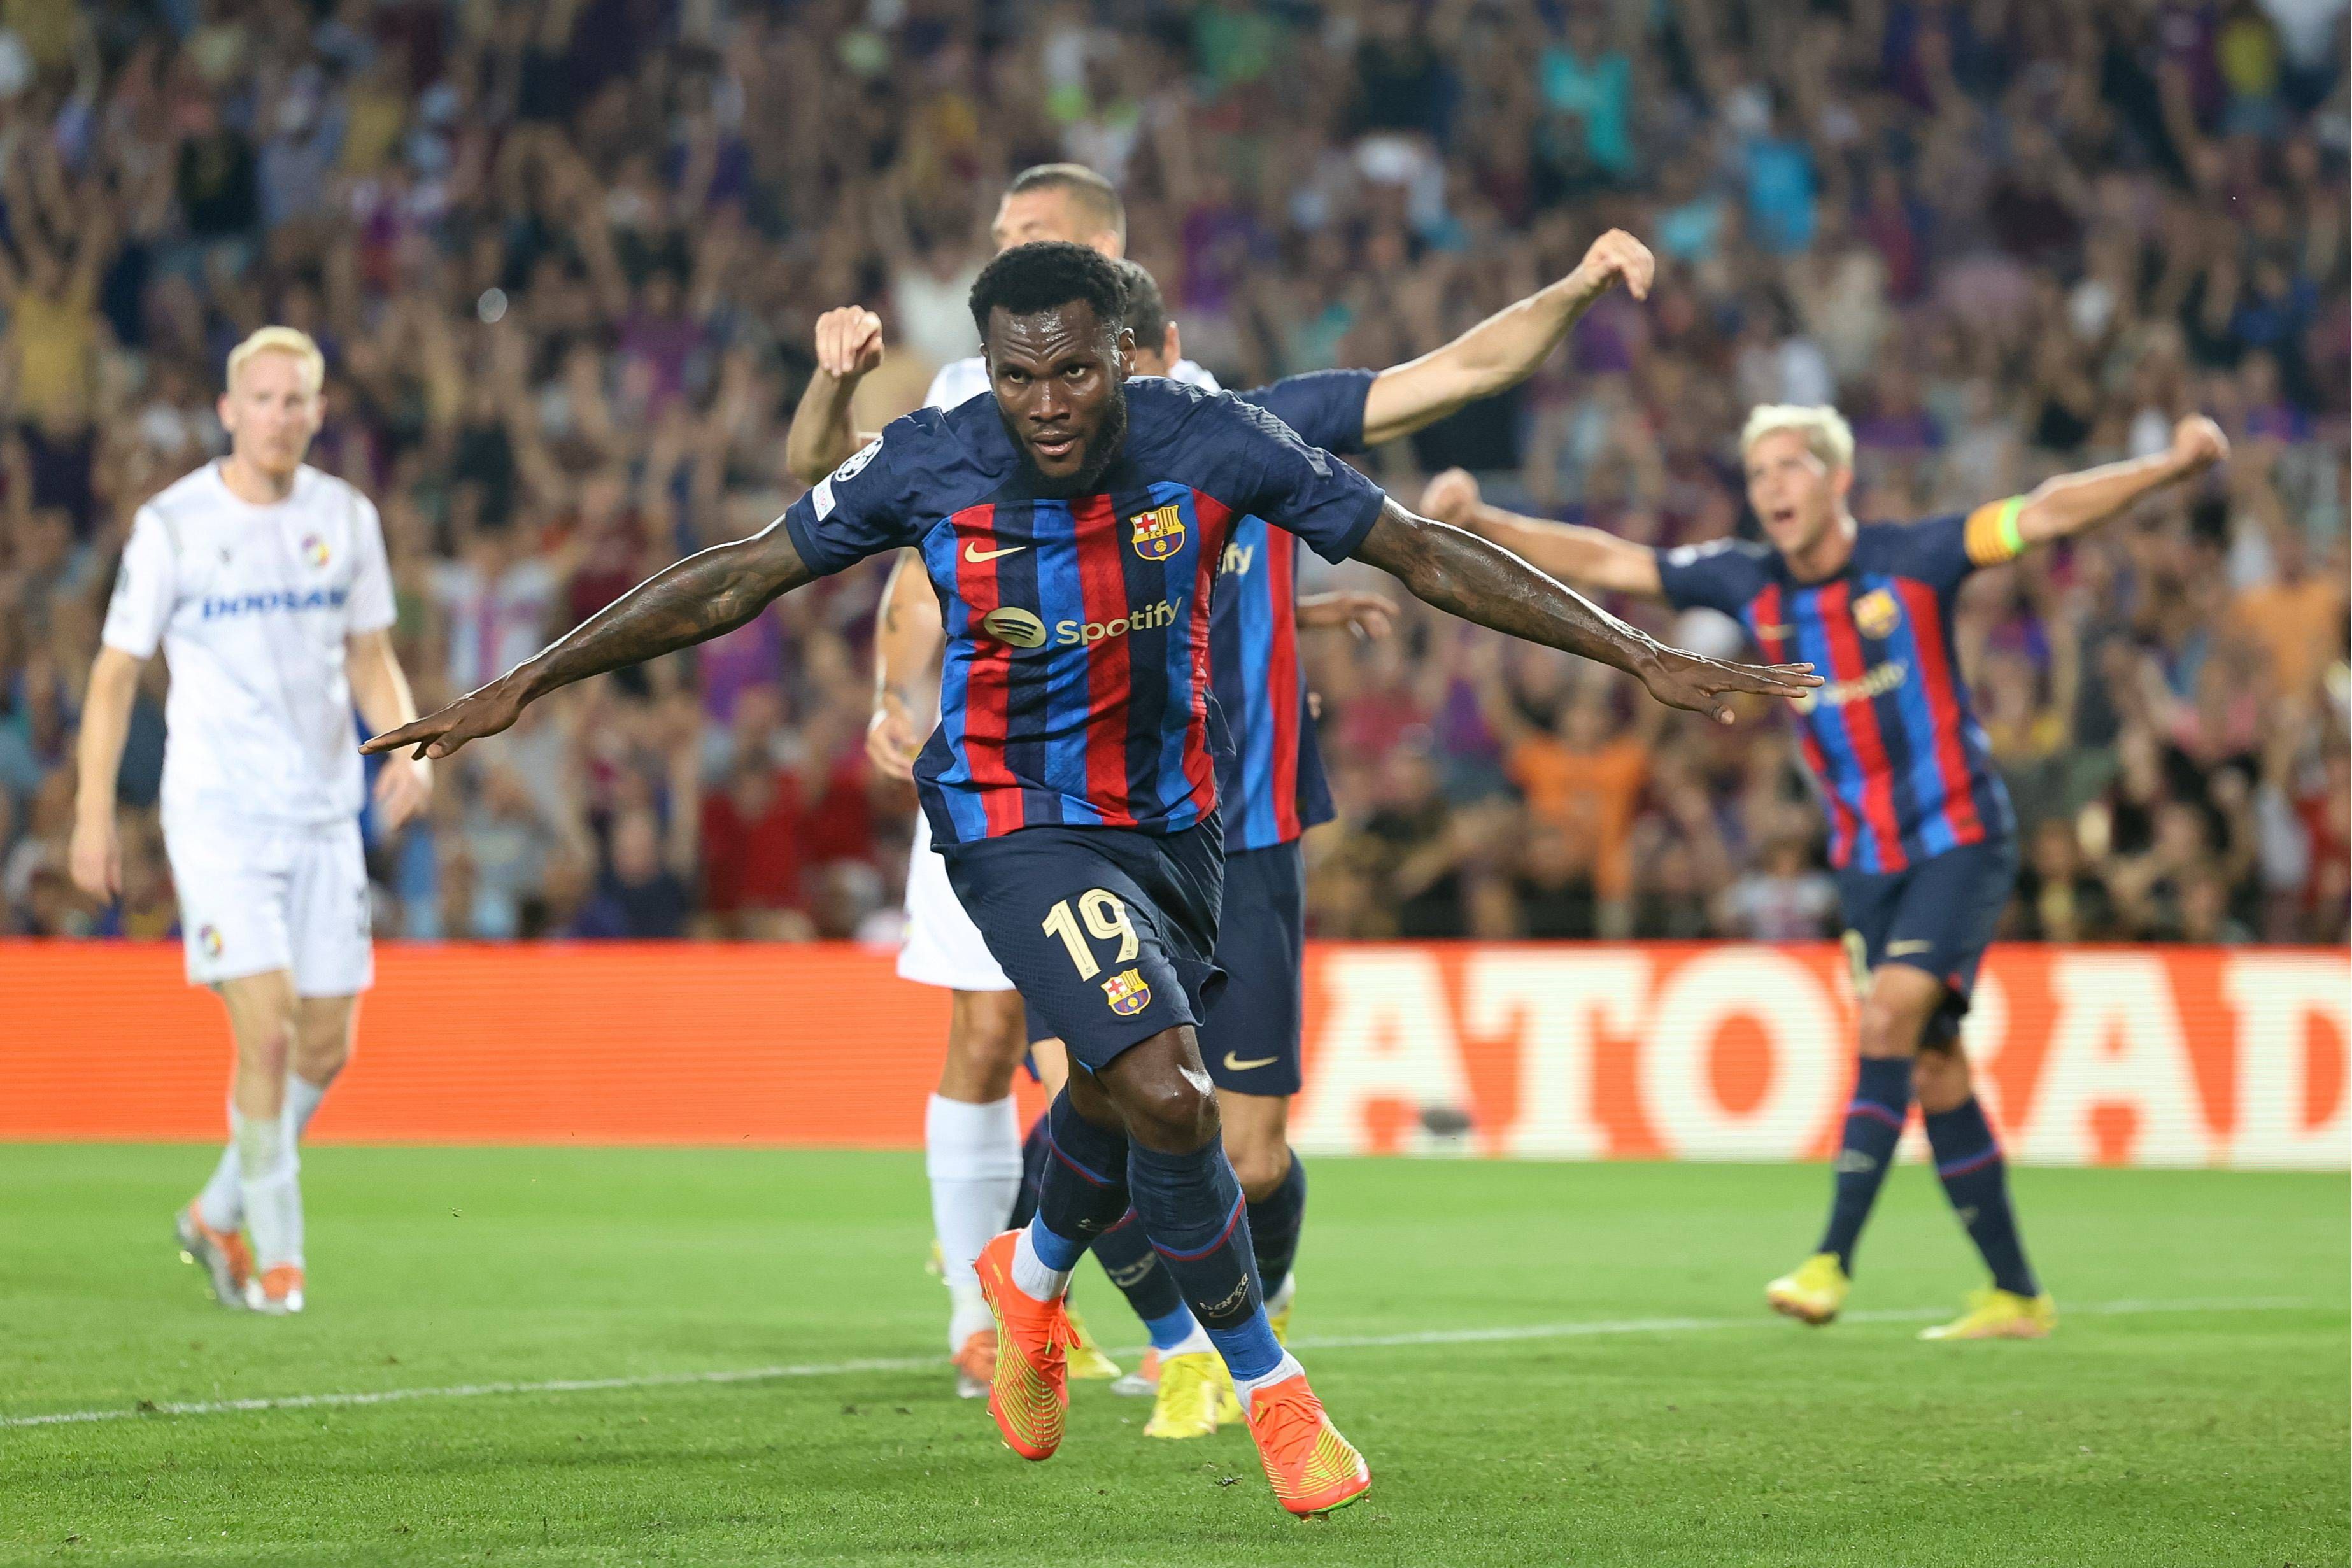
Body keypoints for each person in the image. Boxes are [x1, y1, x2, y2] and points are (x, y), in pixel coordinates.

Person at [365, 243, 1814, 1515]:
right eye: (1016, 375)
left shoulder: (1205, 437)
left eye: (1069, 371)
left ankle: (1031, 1275)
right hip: (1008, 816)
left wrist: (1640, 656)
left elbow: (1420, 551)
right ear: (987, 368)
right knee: (1171, 1086)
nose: (1044, 402)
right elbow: (738, 572)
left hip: (1174, 824)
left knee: (1113, 1095)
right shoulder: (932, 460)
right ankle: (1270, 1388)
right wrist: (529, 681)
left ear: (1119, 356)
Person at [1422, 403, 2229, 1341]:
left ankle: (1830, 1260)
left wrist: (2168, 466)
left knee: (1887, 1018)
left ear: (1836, 480)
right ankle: (2015, 1294)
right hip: (1864, 864)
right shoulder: (1747, 580)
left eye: (1791, 466)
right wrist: (1481, 519)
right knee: (1931, 1064)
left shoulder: (1916, 556)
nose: (1772, 486)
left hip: (1958, 837)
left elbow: (2044, 512)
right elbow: (1608, 561)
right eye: (1758, 471)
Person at [1083, 238, 1657, 1440]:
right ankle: (1176, 1346)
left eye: (1133, 371)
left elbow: (1453, 374)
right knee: (1106, 1098)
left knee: (1248, 1155)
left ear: (1170, 357)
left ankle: (1263, 1299)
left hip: (1246, 839)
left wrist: (1573, 285)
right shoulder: (1047, 461)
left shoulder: (1259, 431)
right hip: (1104, 839)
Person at [781, 164, 1193, 1401]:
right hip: (990, 764)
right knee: (986, 1027)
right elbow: (861, 527)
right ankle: (985, 1312)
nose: (1003, 256)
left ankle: (1074, 1296)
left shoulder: (1172, 401)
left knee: (1109, 1060)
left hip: (1129, 777)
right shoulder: (965, 396)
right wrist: (893, 695)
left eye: (1034, 239)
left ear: (1105, 265)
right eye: (1002, 235)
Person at [69, 326, 431, 1316]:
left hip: (324, 813)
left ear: (317, 412)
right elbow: (113, 674)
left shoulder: (345, 519)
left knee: (327, 1046)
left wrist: (404, 742)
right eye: (262, 399)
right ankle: (280, 1260)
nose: (279, 416)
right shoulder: (174, 525)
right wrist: (94, 810)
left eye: (296, 400)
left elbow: (367, 654)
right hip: (220, 814)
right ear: (229, 412)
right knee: (265, 1038)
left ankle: (216, 1211)